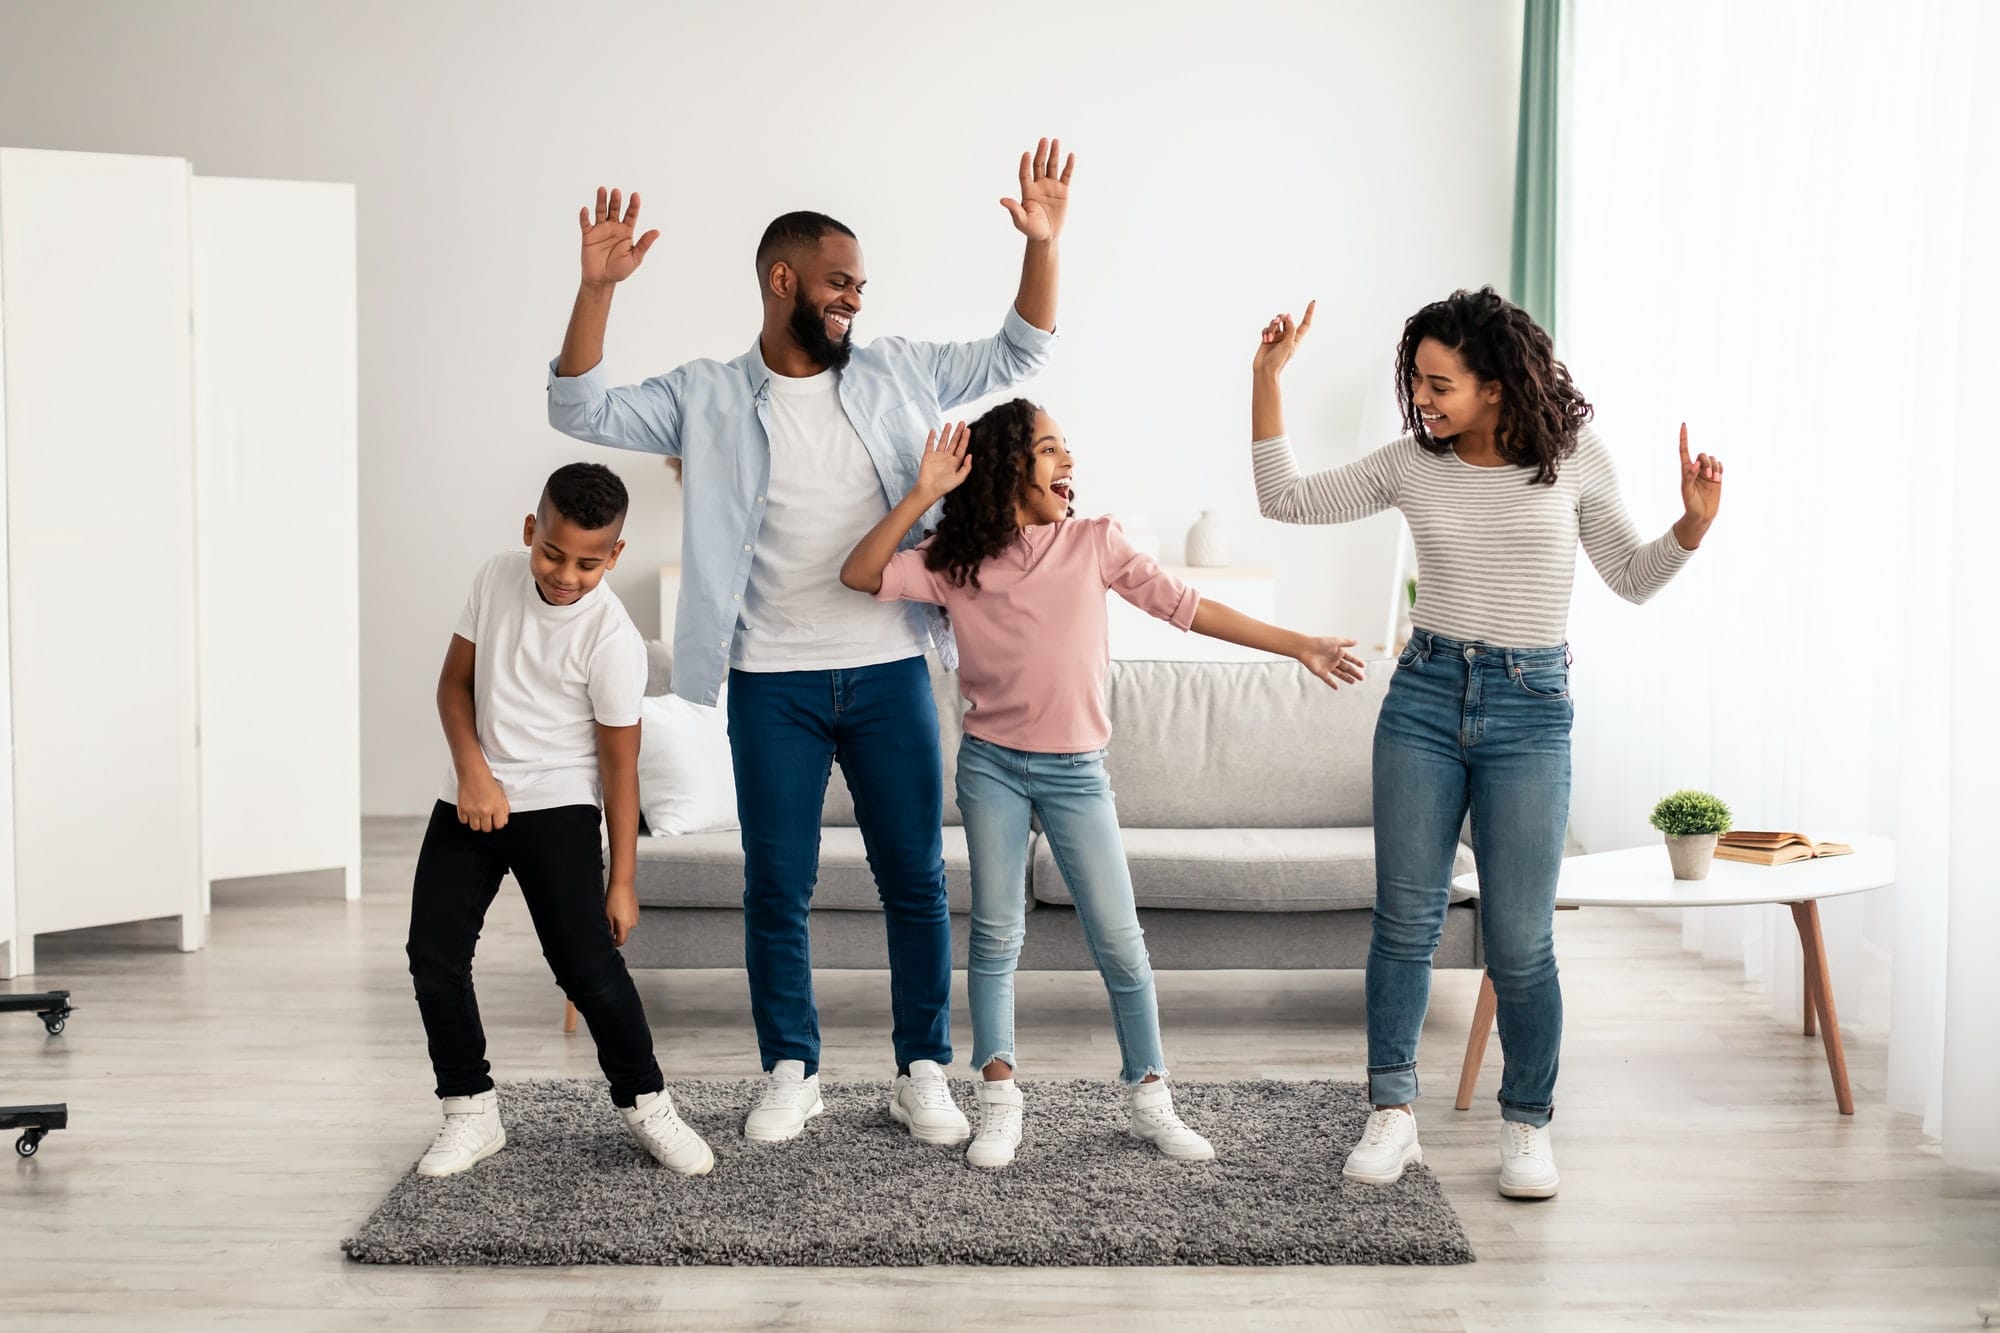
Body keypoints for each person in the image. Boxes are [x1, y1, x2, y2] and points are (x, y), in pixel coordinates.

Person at [545, 141, 1075, 1146]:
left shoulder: (900, 373)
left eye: (860, 288)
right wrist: (595, 289)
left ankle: (922, 1067)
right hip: (768, 679)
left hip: (888, 669)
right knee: (774, 885)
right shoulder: (705, 395)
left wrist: (1042, 245)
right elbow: (576, 404)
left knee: (914, 878)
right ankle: (790, 1065)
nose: (853, 304)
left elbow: (1020, 351)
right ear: (780, 280)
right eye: (838, 285)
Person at [1248, 288, 1724, 1199]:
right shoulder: (1411, 466)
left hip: (1531, 707)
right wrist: (1267, 380)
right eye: (1417, 382)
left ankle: (1527, 1124)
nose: (1421, 399)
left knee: (1520, 941)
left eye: (1439, 384)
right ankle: (1391, 1112)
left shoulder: (1577, 458)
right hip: (1424, 696)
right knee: (1405, 924)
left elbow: (1629, 576)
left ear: (1497, 385)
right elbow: (1284, 498)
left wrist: (1692, 526)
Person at [840, 401, 1366, 1167]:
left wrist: (1297, 644)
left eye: (1067, 450)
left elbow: (1190, 609)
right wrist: (923, 493)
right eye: (1050, 449)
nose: (1067, 462)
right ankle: (998, 1098)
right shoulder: (953, 559)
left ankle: (1151, 1095)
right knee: (994, 934)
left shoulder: (1095, 542)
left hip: (1077, 771)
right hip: (991, 766)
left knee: (1120, 940)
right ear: (1008, 464)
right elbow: (858, 572)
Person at [406, 462, 712, 1178]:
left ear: (615, 556)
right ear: (529, 531)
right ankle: (470, 1109)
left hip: (559, 805)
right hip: (470, 799)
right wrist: (475, 774)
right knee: (433, 954)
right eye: (552, 552)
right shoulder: (494, 578)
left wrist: (623, 878)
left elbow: (619, 766)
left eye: (587, 562)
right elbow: (454, 685)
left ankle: (648, 1103)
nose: (565, 574)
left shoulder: (613, 640)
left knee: (586, 965)